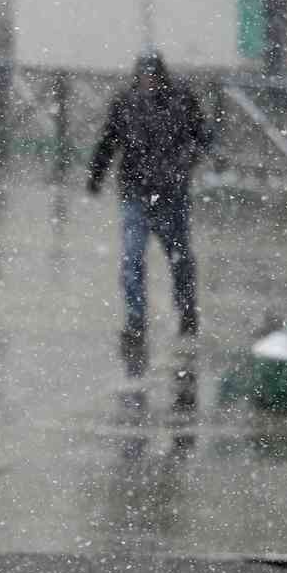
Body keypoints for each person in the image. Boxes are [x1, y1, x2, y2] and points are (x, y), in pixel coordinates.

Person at [87, 52, 212, 378]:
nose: (148, 82)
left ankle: (185, 314)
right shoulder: (127, 103)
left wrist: (185, 163)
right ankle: (135, 321)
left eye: (152, 76)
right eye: (143, 76)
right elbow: (108, 140)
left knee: (179, 258)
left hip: (170, 195)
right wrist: (96, 175)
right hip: (137, 194)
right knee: (133, 259)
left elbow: (203, 137)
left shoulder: (180, 101)